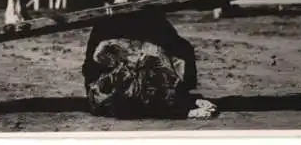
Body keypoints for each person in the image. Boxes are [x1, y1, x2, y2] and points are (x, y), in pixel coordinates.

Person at [81, 9, 218, 120]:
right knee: (148, 68)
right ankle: (176, 106)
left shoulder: (148, 20)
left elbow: (182, 52)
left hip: (109, 93)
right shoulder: (147, 20)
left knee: (151, 65)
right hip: (112, 94)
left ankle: (177, 101)